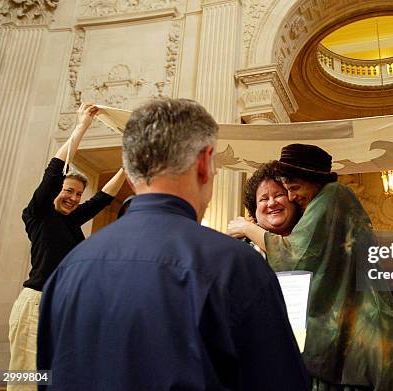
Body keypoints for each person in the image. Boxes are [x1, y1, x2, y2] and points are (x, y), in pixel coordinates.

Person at [37, 99, 310, 390]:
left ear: (129, 176)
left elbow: (47, 377)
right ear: (205, 163)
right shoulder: (235, 266)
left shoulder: (67, 269)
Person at [228, 144, 393, 391]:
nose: (287, 197)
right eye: (263, 198)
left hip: (348, 343)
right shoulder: (241, 251)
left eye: (288, 191)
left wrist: (247, 228)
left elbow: (295, 255)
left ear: (312, 179)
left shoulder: (333, 197)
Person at [8, 103, 125, 390]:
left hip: (60, 306)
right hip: (34, 303)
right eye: (68, 191)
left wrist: (128, 167)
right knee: (25, 379)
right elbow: (52, 174)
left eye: (78, 194)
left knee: (53, 377)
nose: (73, 198)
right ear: (55, 193)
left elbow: (102, 200)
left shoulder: (72, 222)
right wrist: (81, 127)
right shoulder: (39, 214)